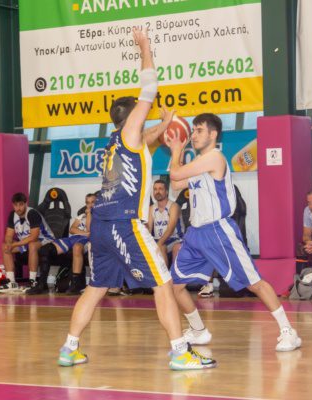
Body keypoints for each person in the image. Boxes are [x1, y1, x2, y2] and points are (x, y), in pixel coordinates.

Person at [58, 27, 216, 371]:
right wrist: (144, 47)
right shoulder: (132, 132)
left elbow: (148, 137)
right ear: (132, 116)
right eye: (141, 112)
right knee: (163, 283)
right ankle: (180, 351)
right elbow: (149, 87)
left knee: (97, 287)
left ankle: (69, 348)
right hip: (123, 223)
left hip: (102, 224)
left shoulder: (118, 142)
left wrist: (166, 124)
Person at [166, 113, 301, 352]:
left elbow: (176, 174)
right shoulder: (199, 163)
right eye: (193, 130)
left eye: (199, 130)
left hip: (218, 231)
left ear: (213, 134)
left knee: (254, 283)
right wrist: (175, 152)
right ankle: (198, 330)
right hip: (196, 234)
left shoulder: (215, 158)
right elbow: (176, 184)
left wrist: (177, 150)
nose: (193, 135)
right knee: (175, 285)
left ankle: (288, 331)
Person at [0, 192, 57, 295]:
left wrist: (15, 245)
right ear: (13, 205)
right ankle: (11, 282)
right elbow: (9, 235)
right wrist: (9, 243)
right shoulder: (12, 215)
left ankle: (33, 281)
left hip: (46, 239)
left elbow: (34, 236)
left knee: (32, 244)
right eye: (16, 205)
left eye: (21, 205)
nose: (18, 208)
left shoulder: (32, 213)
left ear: (25, 204)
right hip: (26, 241)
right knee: (5, 246)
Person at [47, 193, 96, 295]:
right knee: (47, 249)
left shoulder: (99, 216)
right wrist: (84, 233)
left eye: (93, 202)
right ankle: (39, 282)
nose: (90, 205)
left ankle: (75, 282)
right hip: (78, 238)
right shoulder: (82, 215)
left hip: (90, 241)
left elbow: (89, 229)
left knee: (77, 247)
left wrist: (89, 215)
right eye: (88, 203)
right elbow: (72, 229)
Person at [147, 179, 183, 266]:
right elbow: (149, 229)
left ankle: (165, 274)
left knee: (161, 247)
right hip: (157, 238)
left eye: (160, 189)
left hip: (174, 238)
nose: (157, 192)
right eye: (155, 189)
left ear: (166, 192)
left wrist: (159, 244)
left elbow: (170, 229)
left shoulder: (173, 206)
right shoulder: (151, 208)